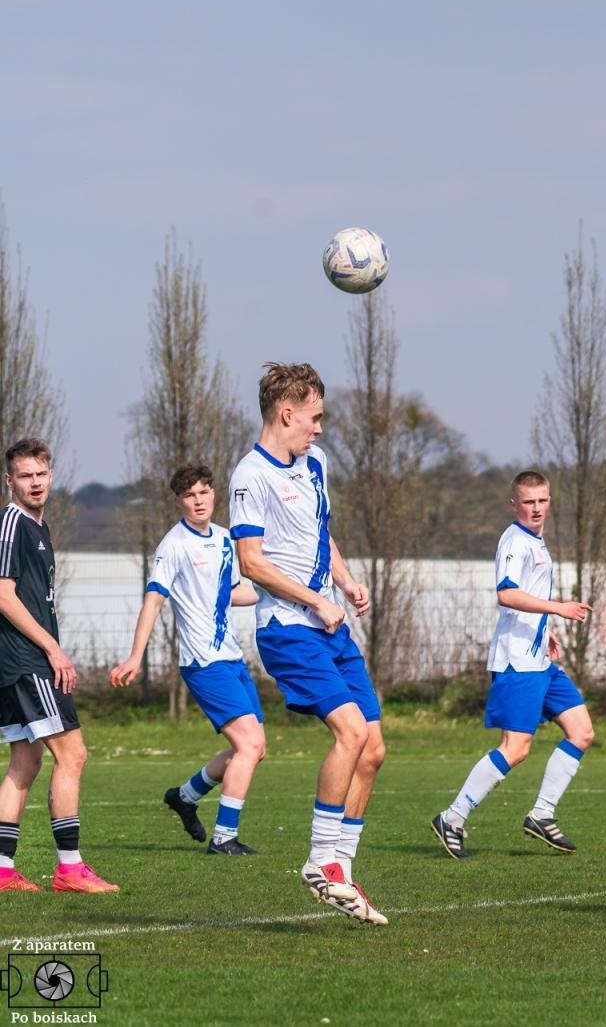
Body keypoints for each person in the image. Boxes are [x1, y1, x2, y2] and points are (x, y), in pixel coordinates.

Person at [229, 362, 387, 925]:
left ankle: (341, 871)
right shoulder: (250, 476)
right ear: (286, 412)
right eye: (313, 418)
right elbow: (251, 562)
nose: (319, 429)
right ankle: (321, 861)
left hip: (328, 624)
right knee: (350, 731)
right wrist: (316, 601)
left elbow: (321, 535)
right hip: (288, 628)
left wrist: (344, 581)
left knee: (373, 748)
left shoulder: (314, 463)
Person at [431, 471, 596, 859]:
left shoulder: (537, 541)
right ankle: (452, 818)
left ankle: (541, 814)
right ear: (514, 504)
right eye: (528, 502)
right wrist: (557, 608)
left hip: (539, 659)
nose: (536, 508)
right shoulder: (515, 541)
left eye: (542, 501)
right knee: (516, 748)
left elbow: (527, 596)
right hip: (517, 662)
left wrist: (546, 628)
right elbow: (506, 594)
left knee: (582, 732)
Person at [109, 463, 266, 855]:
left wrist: (281, 589)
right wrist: (135, 657)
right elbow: (153, 601)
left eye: (203, 492)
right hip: (203, 662)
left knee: (254, 749)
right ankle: (224, 838)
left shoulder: (226, 539)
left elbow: (232, 594)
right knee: (248, 746)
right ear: (179, 500)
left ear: (213, 493)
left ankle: (184, 797)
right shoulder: (174, 545)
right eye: (189, 495)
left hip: (231, 656)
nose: (198, 500)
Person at [0, 438, 119, 893]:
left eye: (40, 474)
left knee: (25, 761)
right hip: (26, 660)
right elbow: (3, 594)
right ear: (9, 481)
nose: (34, 482)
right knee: (73, 754)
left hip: (23, 659)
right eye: (24, 475)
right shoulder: (12, 523)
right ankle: (70, 869)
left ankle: (3, 871)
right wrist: (53, 649)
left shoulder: (39, 526)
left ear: (50, 476)